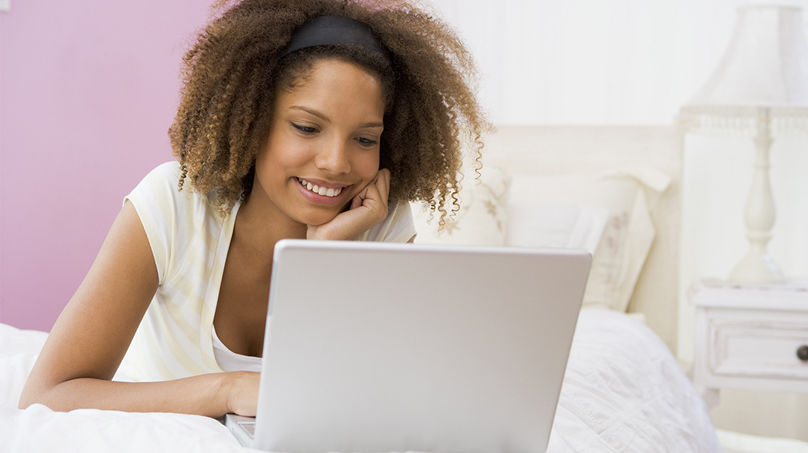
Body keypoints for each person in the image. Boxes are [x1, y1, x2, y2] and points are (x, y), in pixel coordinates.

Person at [19, 0, 486, 418]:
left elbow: (371, 401)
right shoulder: (173, 206)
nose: (336, 162)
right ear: (255, 118)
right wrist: (228, 390)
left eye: (365, 139)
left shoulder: (382, 228)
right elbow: (49, 395)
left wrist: (321, 268)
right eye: (307, 127)